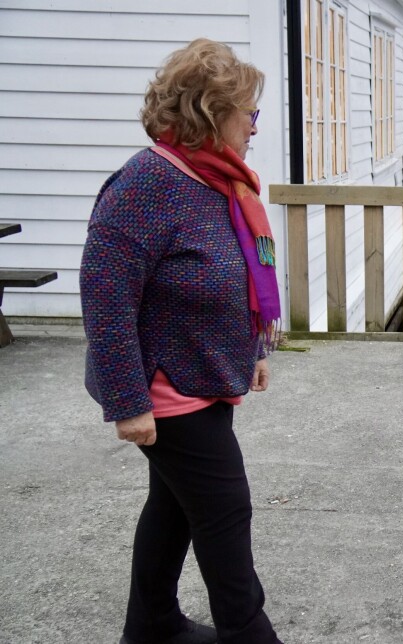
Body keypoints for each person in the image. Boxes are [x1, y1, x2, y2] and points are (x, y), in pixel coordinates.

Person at [80, 39, 283, 644]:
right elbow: (106, 297)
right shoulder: (146, 184)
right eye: (247, 113)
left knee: (172, 507)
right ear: (209, 112)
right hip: (165, 390)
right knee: (224, 512)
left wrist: (254, 350)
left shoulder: (219, 181)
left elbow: (232, 275)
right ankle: (247, 632)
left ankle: (152, 626)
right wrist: (127, 402)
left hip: (205, 377)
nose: (254, 126)